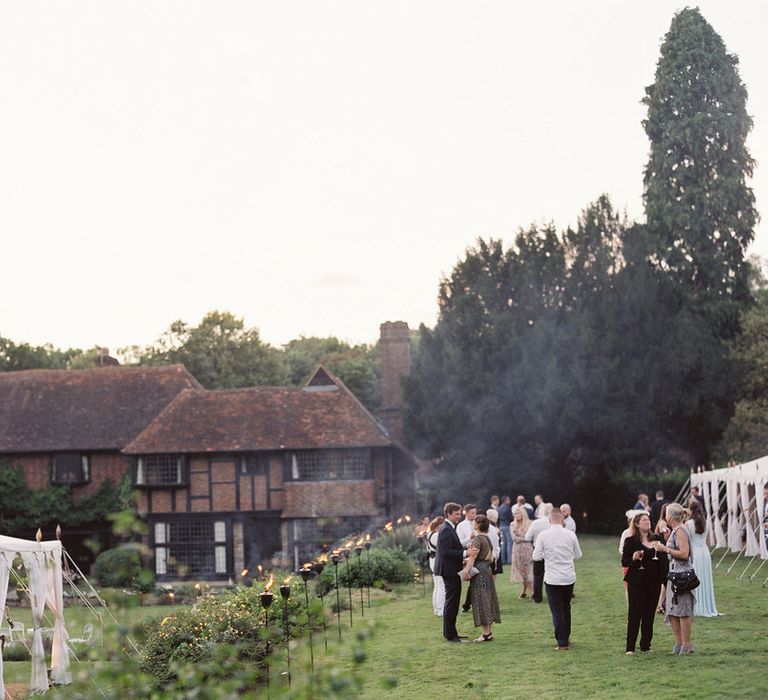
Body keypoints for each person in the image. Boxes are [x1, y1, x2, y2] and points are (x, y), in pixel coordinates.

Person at [533, 507, 582, 650]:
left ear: (549, 520)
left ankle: (562, 642)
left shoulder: (543, 535)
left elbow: (536, 556)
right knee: (566, 608)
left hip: (552, 578)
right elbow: (578, 555)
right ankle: (565, 637)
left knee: (557, 611)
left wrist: (547, 556)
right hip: (568, 576)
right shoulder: (570, 534)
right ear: (562, 519)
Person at [621, 512, 668, 654]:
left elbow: (664, 561)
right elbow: (624, 562)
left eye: (648, 520)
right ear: (636, 524)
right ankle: (630, 647)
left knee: (649, 614)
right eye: (644, 520)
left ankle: (646, 646)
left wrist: (665, 580)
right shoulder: (630, 541)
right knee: (635, 614)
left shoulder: (657, 539)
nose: (647, 522)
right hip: (637, 581)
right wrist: (634, 558)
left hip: (653, 581)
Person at [651, 503, 694, 654]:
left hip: (682, 576)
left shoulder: (681, 530)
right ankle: (679, 643)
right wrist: (669, 539)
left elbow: (684, 554)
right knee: (673, 610)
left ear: (669, 517)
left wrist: (665, 549)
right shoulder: (676, 530)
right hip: (674, 573)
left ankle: (687, 645)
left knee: (682, 610)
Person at [434, 502, 479, 642]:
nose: (459, 517)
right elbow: (446, 551)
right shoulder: (446, 529)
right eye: (456, 514)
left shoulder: (449, 527)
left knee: (453, 602)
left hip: (451, 569)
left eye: (460, 514)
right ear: (448, 514)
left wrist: (465, 551)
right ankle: (450, 635)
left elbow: (452, 548)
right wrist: (466, 552)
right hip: (448, 570)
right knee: (451, 603)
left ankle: (452, 633)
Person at [460, 515, 501, 641]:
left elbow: (472, 557)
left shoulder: (478, 539)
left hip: (479, 572)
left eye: (474, 522)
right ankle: (488, 632)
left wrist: (465, 572)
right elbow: (491, 557)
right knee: (487, 599)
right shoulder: (487, 538)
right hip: (487, 570)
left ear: (477, 525)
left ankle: (486, 633)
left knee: (481, 600)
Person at [686, 500, 718, 617]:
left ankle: (697, 607)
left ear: (690, 510)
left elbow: (687, 540)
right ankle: (707, 606)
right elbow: (709, 540)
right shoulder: (706, 523)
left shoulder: (688, 524)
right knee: (704, 578)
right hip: (705, 552)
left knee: (695, 579)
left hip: (695, 552)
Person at [525, 502, 553, 603]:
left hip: (538, 550)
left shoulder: (536, 523)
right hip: (551, 552)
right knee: (551, 573)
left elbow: (527, 537)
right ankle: (552, 596)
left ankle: (537, 597)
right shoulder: (552, 523)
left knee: (538, 575)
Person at [510, 505, 534, 598]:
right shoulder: (512, 524)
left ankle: (532, 591)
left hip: (527, 549)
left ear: (523, 513)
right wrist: (524, 537)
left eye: (518, 513)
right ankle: (524, 590)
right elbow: (514, 539)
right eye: (515, 513)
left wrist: (522, 537)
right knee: (521, 571)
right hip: (517, 550)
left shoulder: (530, 523)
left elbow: (530, 537)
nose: (517, 515)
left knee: (528, 570)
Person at [457, 504, 477, 613]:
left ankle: (468, 604)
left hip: (478, 553)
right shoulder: (461, 526)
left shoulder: (478, 523)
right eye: (472, 513)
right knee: (470, 578)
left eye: (475, 512)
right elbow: (459, 543)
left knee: (475, 579)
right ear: (466, 513)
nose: (474, 515)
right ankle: (467, 604)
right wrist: (469, 538)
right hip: (467, 553)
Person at [426, 516, 445, 616]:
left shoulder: (430, 534)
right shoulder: (436, 535)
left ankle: (437, 609)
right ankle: (440, 609)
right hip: (436, 560)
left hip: (432, 560)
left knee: (437, 585)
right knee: (441, 585)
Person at [485, 507, 503, 576]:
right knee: (492, 574)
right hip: (493, 552)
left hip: (494, 551)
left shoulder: (492, 527)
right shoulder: (492, 528)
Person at [497, 496, 513, 564]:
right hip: (507, 526)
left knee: (503, 544)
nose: (509, 501)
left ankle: (503, 560)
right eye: (508, 500)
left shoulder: (499, 508)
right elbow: (510, 517)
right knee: (509, 543)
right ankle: (509, 560)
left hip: (501, 526)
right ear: (505, 500)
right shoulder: (507, 508)